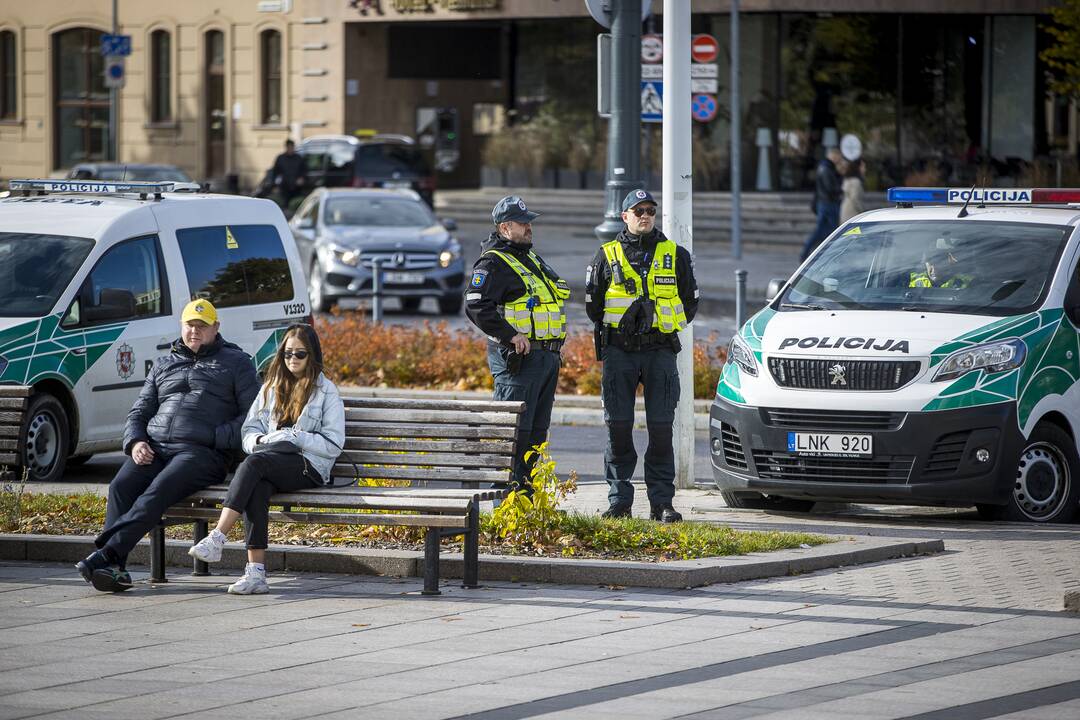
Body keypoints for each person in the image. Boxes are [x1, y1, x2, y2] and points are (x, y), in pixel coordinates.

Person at [76, 300, 259, 592]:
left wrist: (213, 437)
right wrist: (135, 441)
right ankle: (114, 569)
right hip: (156, 448)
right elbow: (139, 411)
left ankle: (107, 553)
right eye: (190, 325)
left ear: (216, 328)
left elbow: (252, 418)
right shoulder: (164, 363)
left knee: (157, 490)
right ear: (181, 326)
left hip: (202, 453)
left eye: (202, 326)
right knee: (120, 486)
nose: (194, 331)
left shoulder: (237, 363)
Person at [187, 324, 345, 594]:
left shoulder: (326, 391)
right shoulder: (271, 386)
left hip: (310, 466)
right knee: (256, 486)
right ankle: (256, 574)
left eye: (300, 354)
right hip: (272, 459)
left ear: (313, 356)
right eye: (287, 353)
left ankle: (218, 536)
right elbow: (249, 430)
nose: (292, 359)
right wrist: (261, 441)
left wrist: (297, 438)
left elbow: (333, 444)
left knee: (253, 465)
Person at [585, 190, 699, 523]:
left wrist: (658, 321)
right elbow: (593, 306)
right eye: (638, 211)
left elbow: (690, 303)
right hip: (619, 352)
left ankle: (661, 503)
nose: (645, 216)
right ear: (625, 216)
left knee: (661, 430)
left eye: (650, 210)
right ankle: (619, 501)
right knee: (618, 428)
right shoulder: (606, 255)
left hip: (659, 352)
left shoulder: (675, 254)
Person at [464, 195, 570, 493]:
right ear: (505, 227)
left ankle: (527, 503)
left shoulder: (530, 258)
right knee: (512, 435)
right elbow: (475, 305)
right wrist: (510, 335)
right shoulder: (493, 262)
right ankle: (508, 507)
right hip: (517, 363)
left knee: (536, 435)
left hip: (545, 360)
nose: (529, 228)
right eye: (523, 223)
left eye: (529, 222)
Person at [800, 148, 845, 260]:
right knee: (825, 231)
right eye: (839, 156)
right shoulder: (826, 168)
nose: (840, 159)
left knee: (824, 231)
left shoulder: (826, 168)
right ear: (834, 155)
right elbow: (830, 188)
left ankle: (811, 254)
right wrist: (841, 189)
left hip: (825, 203)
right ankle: (806, 254)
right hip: (828, 204)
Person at [270, 139, 307, 214]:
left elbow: (304, 171)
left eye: (292, 147)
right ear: (286, 147)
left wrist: (302, 178)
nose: (290, 149)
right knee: (284, 206)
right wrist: (274, 186)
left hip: (296, 187)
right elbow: (275, 172)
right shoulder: (280, 158)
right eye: (289, 147)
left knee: (295, 206)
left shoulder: (298, 158)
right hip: (284, 186)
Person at [909, 248, 973, 289]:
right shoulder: (916, 282)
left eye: (938, 265)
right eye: (930, 265)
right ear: (926, 265)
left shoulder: (964, 282)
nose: (933, 270)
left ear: (947, 265)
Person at [840, 159, 866, 224]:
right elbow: (855, 198)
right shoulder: (856, 182)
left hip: (845, 208)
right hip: (852, 211)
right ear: (857, 168)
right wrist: (862, 211)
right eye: (863, 167)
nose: (865, 169)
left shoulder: (848, 179)